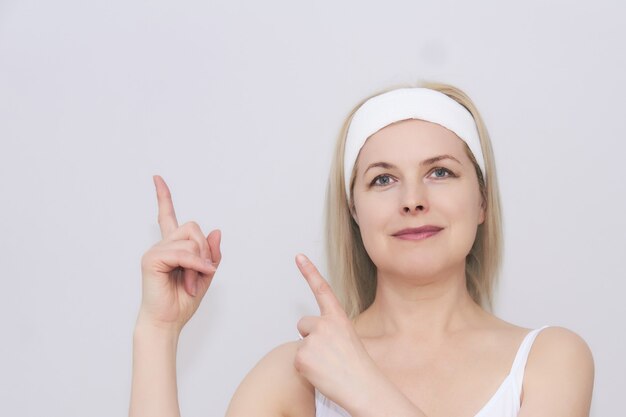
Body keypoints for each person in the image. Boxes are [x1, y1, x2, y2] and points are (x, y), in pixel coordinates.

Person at [129, 82, 594, 417]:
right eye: (383, 179)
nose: (413, 199)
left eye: (441, 172)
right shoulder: (295, 376)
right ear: (354, 212)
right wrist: (158, 331)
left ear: (482, 203)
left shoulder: (549, 360)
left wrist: (368, 393)